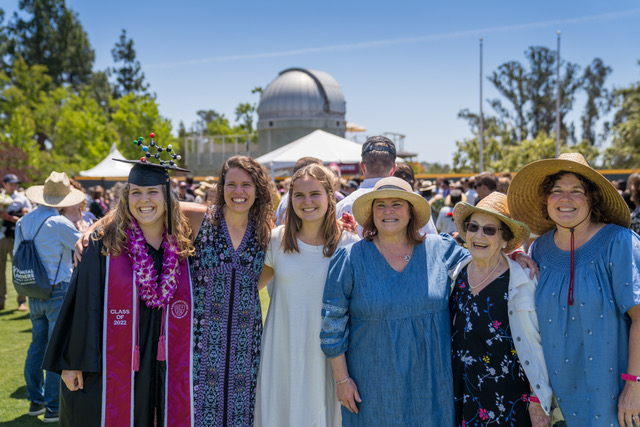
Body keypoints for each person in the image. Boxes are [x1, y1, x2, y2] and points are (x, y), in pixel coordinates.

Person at [43, 148, 196, 425]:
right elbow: (82, 305)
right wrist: (72, 362)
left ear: (167, 198)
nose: (144, 200)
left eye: (152, 192)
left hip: (164, 363)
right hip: (111, 364)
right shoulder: (105, 245)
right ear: (126, 199)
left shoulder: (184, 248)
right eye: (136, 192)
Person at [320, 176, 470, 426]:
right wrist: (342, 380)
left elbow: (484, 266)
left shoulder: (441, 249)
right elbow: (331, 326)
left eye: (397, 204)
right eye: (380, 205)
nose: (388, 211)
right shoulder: (350, 257)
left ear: (411, 212)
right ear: (371, 214)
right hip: (373, 387)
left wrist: (517, 256)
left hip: (432, 383)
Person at [507, 152, 640, 426]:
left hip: (614, 401)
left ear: (591, 199)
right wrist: (512, 257)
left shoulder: (619, 243)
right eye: (557, 191)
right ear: (546, 200)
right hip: (557, 406)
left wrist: (635, 386)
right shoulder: (539, 249)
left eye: (576, 191)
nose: (565, 198)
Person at [254, 164, 359, 427]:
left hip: (331, 358)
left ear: (329, 195)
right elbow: (249, 288)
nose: (307, 202)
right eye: (299, 195)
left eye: (315, 194)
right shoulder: (276, 242)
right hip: (283, 350)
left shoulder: (350, 243)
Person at [449, 191, 551, 427]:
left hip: (509, 398)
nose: (479, 235)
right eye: (473, 227)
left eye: (489, 230)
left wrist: (538, 401)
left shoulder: (524, 281)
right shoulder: (456, 273)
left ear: (504, 239)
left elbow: (540, 343)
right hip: (461, 394)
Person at [188, 155, 275, 426]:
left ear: (258, 189)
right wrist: (93, 230)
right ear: (221, 187)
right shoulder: (198, 219)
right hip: (198, 341)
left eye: (246, 185)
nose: (238, 192)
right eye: (231, 184)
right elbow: (145, 205)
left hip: (245, 345)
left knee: (242, 413)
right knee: (196, 412)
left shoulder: (265, 233)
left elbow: (258, 281)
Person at [16, 172, 84, 423]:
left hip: (34, 290)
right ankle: (53, 407)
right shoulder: (59, 223)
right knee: (56, 351)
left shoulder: (23, 221)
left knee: (37, 347)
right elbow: (84, 247)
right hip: (58, 289)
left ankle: (36, 400)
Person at [0, 173, 33, 311]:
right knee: (0, 271)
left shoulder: (22, 198)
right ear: (5, 184)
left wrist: (11, 217)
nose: (14, 186)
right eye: (11, 184)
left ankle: (22, 301)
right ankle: (1, 300)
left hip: (17, 237)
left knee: (19, 270)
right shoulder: (1, 197)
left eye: (16, 184)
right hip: (1, 237)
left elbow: (29, 216)